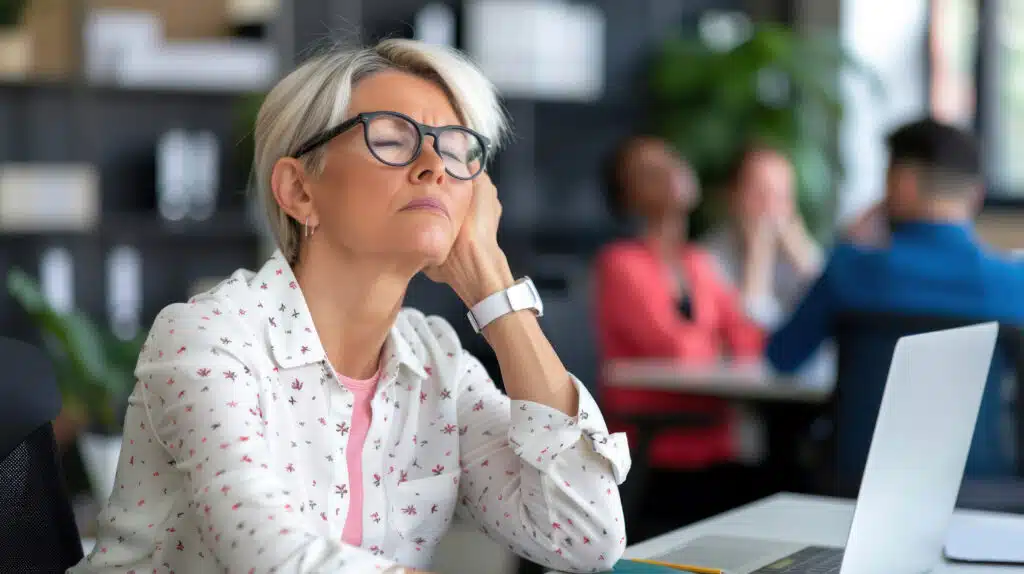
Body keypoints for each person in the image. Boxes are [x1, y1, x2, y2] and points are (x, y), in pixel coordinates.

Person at [71, 39, 629, 574]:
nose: (435, 165)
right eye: (392, 139)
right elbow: (269, 558)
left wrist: (496, 292)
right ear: (300, 192)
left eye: (458, 149)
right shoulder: (208, 336)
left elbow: (587, 536)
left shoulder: (438, 363)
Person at [766, 118, 1024, 473]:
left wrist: (847, 244)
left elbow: (782, 357)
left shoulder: (851, 269)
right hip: (983, 485)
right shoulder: (1014, 282)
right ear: (976, 193)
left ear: (899, 184)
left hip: (857, 484)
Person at [593, 136, 766, 530]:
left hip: (712, 443)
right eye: (649, 172)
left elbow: (748, 341)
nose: (671, 173)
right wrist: (720, 342)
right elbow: (675, 349)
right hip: (658, 448)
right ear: (627, 197)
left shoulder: (698, 261)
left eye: (672, 160)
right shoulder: (620, 264)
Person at [701, 145, 823, 329]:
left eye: (781, 197)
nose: (769, 207)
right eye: (759, 194)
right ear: (733, 196)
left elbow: (833, 316)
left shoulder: (800, 252)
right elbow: (748, 335)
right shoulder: (708, 258)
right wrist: (758, 257)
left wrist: (804, 259)